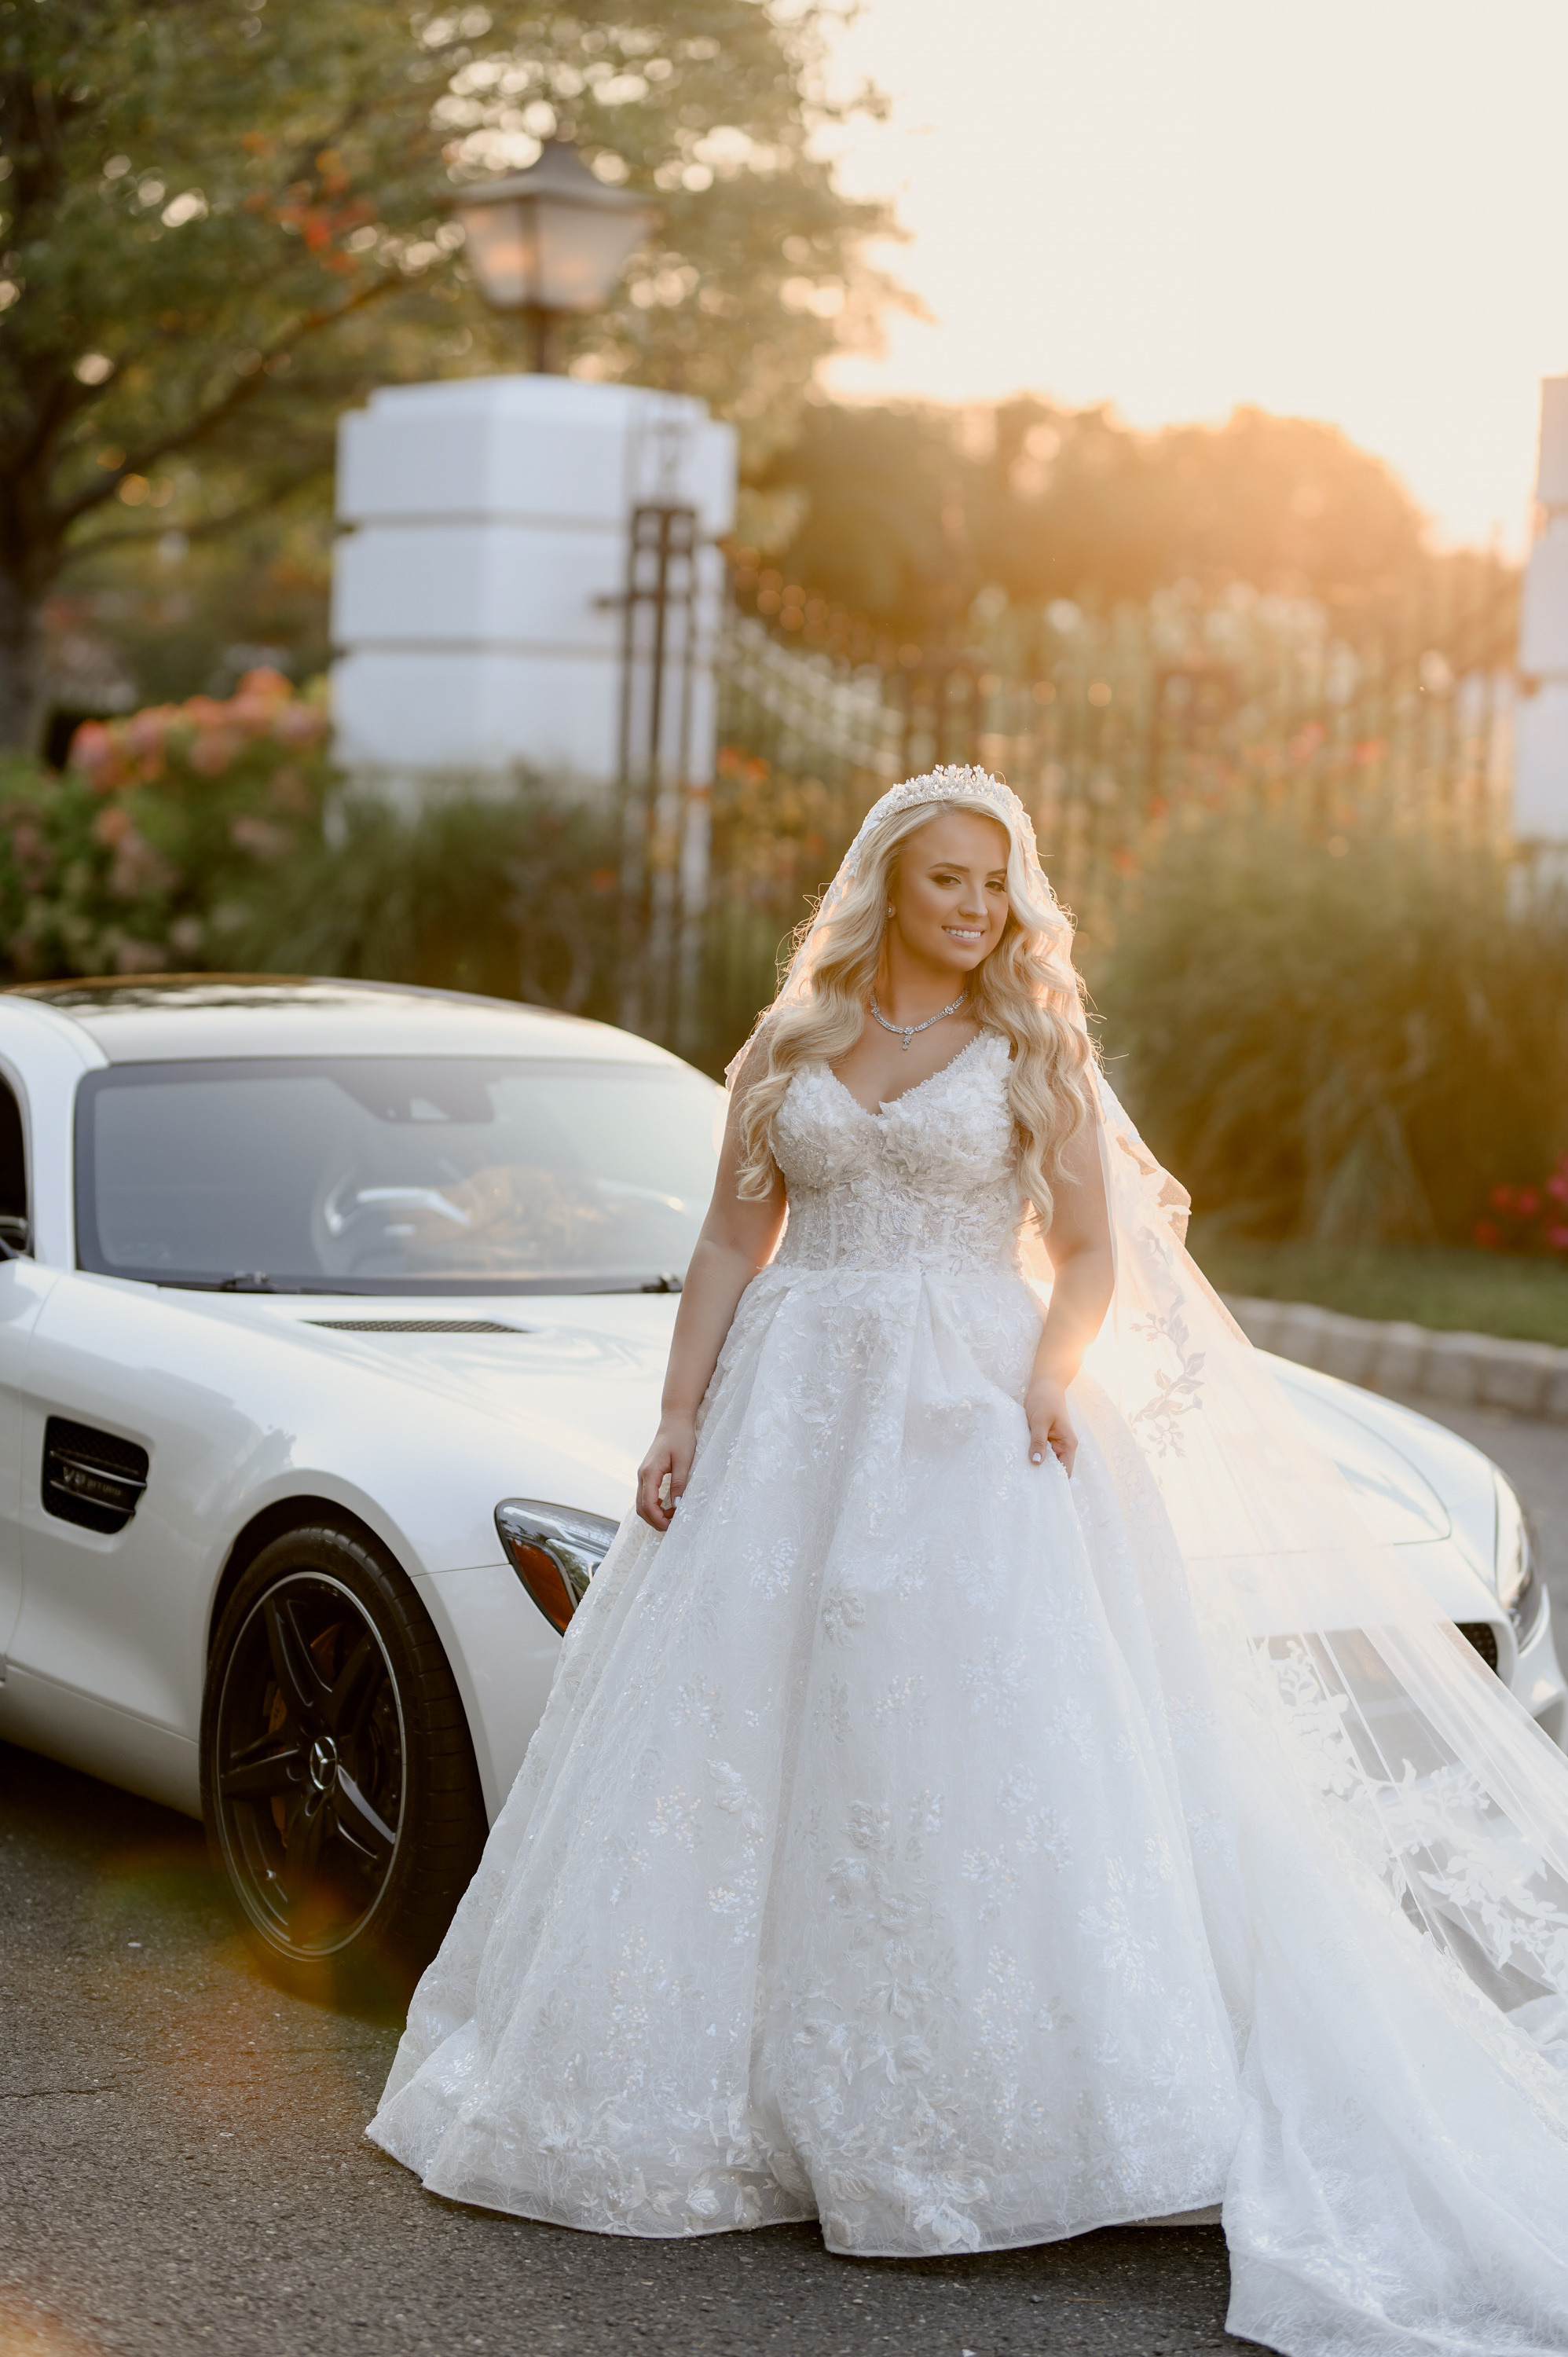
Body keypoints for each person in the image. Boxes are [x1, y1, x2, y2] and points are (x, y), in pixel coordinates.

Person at [370, 768, 1568, 2357]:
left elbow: (1088, 1253)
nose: (976, 909)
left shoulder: (1032, 1050)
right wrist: (678, 1414)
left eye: (995, 885)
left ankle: (994, 2111)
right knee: (744, 1726)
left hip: (969, 1418)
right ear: (886, 883)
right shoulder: (789, 1043)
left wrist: (1053, 1375)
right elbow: (732, 1240)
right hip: (791, 1419)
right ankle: (731, 2093)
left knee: (962, 1731)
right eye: (947, 880)